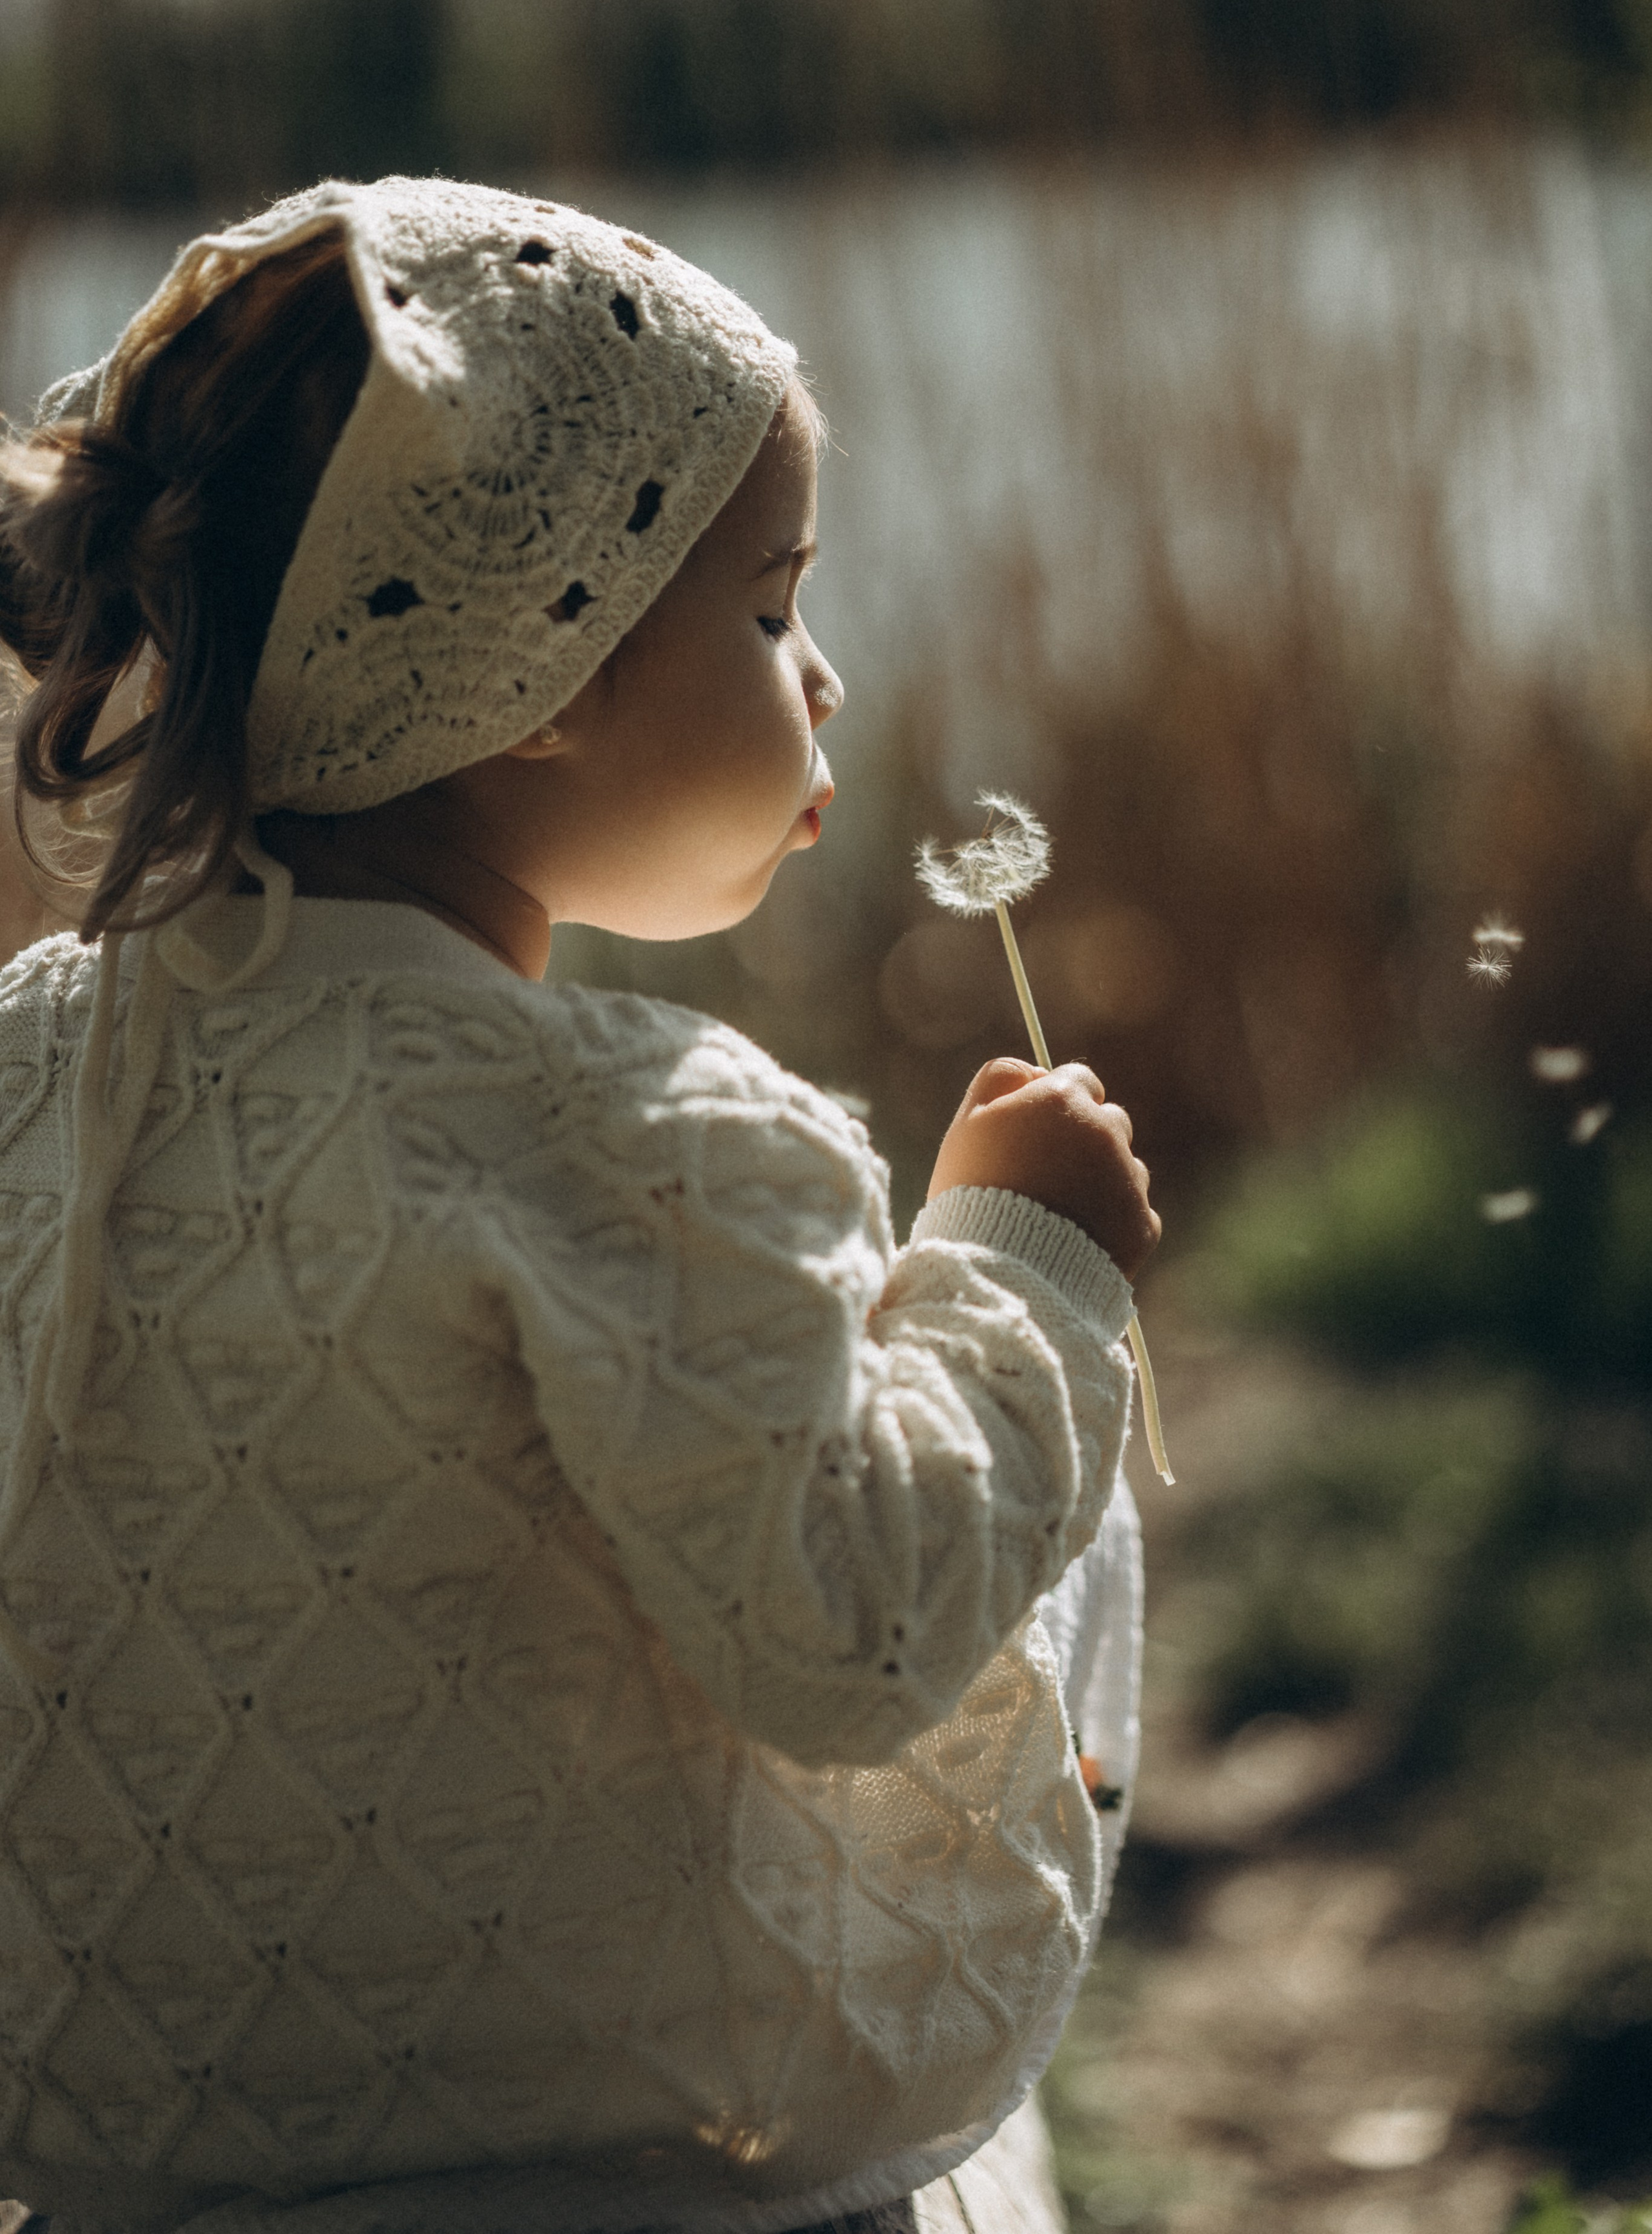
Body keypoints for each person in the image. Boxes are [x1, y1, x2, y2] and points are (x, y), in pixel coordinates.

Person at [0, 179, 1157, 2234]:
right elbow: (853, 1622)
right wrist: (1021, 1257)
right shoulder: (640, 1131)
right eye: (774, 601)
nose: (827, 681)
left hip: (134, 2167)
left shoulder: (32, 1065)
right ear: (541, 656)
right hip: (620, 2176)